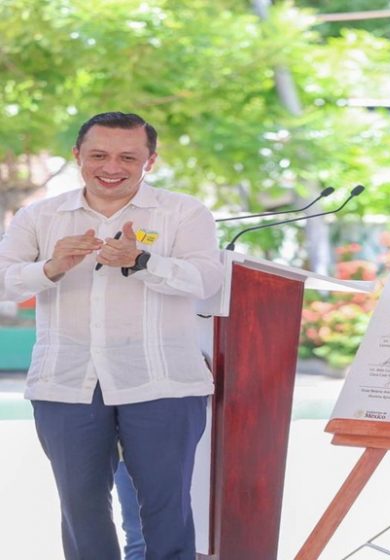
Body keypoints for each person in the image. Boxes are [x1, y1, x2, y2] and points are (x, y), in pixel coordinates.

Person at [0, 112, 223, 559]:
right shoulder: (39, 216)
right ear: (77, 155)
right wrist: (51, 268)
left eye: (128, 157)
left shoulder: (185, 213)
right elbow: (5, 281)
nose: (112, 167)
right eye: (98, 155)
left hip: (163, 381)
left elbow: (206, 281)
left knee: (167, 508)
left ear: (150, 161)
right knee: (81, 509)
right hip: (66, 381)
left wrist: (142, 262)